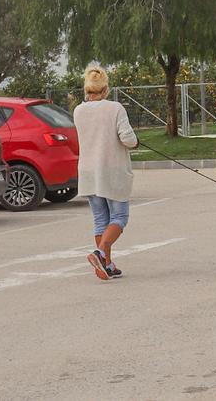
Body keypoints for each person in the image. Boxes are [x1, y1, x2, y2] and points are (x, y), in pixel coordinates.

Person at [74, 65, 139, 280]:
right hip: (111, 171)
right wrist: (136, 143)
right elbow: (127, 138)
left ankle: (107, 265)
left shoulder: (78, 111)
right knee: (119, 217)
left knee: (100, 220)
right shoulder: (115, 108)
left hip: (88, 171)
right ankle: (100, 254)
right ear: (105, 89)